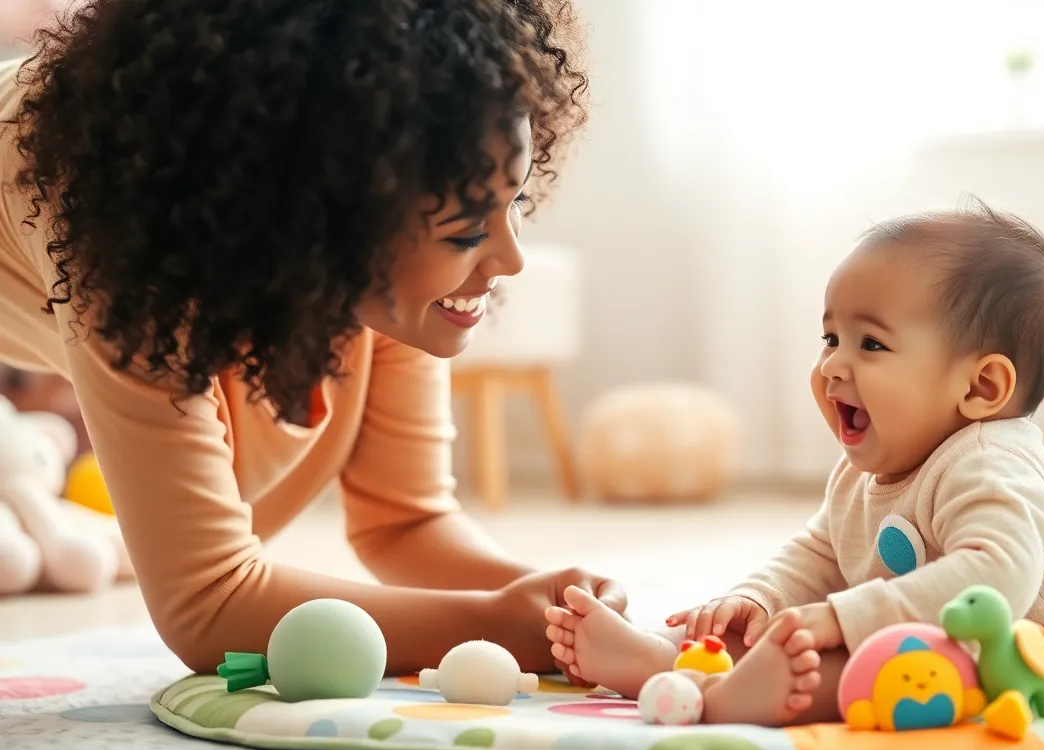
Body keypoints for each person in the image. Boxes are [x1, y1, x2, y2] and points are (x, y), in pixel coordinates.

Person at [0, 0, 626, 678]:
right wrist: (498, 626)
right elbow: (208, 608)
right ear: (319, 222)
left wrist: (558, 610)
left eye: (517, 203)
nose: (511, 260)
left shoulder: (380, 238)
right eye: (465, 232)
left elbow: (404, 525)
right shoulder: (123, 246)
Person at [547, 198, 1044, 725]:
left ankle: (729, 696)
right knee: (798, 632)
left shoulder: (992, 465)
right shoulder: (866, 470)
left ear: (980, 387)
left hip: (1034, 655)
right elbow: (820, 555)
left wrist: (845, 618)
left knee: (883, 662)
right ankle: (669, 661)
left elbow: (993, 580)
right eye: (830, 339)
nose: (832, 367)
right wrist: (757, 599)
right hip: (927, 630)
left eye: (870, 344)